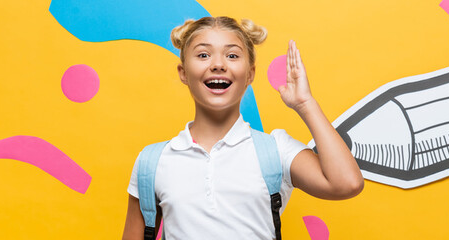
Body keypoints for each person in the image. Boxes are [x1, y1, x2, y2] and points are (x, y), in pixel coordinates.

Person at [121, 16, 363, 240]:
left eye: (232, 56)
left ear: (250, 74)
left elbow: (347, 183)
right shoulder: (152, 161)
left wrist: (305, 104)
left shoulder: (275, 150)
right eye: (203, 55)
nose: (218, 64)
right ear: (183, 73)